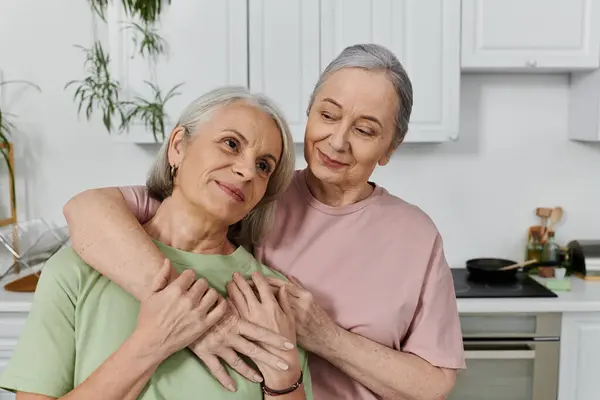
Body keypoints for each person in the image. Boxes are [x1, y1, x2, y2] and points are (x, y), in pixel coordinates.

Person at [60, 43, 465, 400]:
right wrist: (202, 323)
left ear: (389, 149)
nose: (338, 140)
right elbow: (88, 210)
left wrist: (324, 336)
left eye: (364, 130)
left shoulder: (416, 236)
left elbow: (434, 384)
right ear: (308, 114)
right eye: (328, 115)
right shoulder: (249, 190)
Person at [0, 86, 314, 400]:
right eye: (231, 144)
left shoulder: (269, 296)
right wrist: (152, 344)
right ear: (178, 146)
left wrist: (284, 374)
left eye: (263, 166)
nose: (246, 171)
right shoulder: (76, 269)